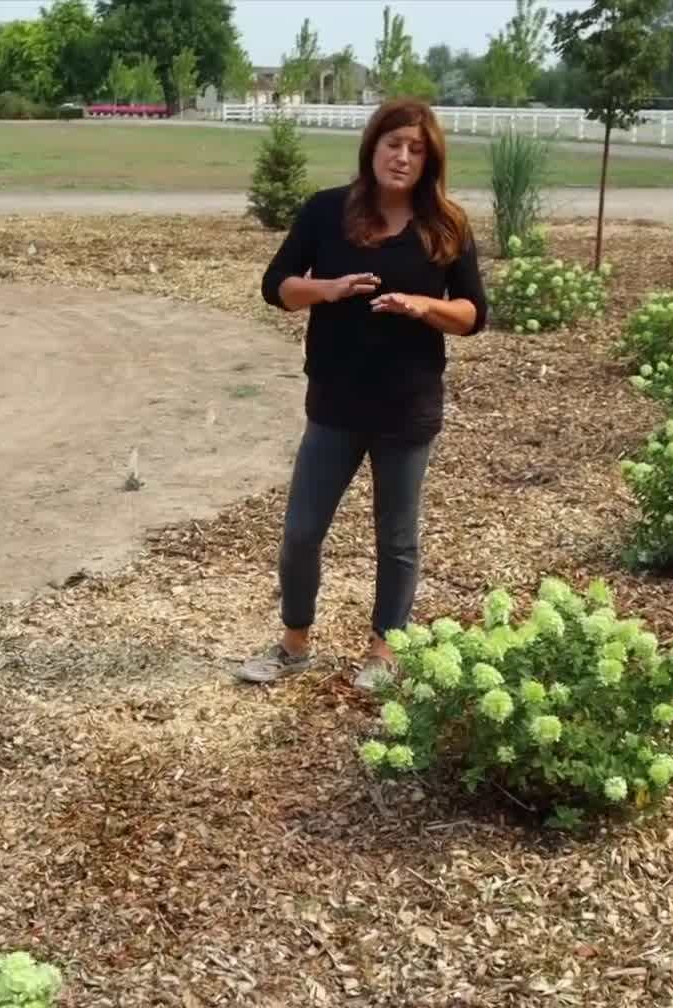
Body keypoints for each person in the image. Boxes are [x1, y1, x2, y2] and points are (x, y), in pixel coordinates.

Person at [237, 98, 488, 691]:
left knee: (397, 539)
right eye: (393, 144)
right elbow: (277, 287)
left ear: (430, 161)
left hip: (407, 407)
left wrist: (424, 306)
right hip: (335, 403)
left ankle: (383, 651)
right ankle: (293, 644)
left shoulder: (446, 225)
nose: (402, 157)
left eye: (416, 149)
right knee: (301, 532)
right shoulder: (327, 212)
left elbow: (473, 314)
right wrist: (329, 288)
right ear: (372, 148)